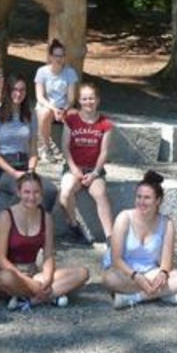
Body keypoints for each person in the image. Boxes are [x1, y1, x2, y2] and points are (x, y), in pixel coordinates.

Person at [0, 172, 89, 310]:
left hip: (33, 273)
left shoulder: (46, 218)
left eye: (36, 192)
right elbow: (1, 259)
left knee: (82, 273)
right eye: (27, 192)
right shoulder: (5, 216)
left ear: (41, 193)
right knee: (5, 279)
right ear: (18, 193)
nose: (32, 197)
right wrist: (28, 282)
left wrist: (48, 279)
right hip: (11, 273)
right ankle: (50, 295)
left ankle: (31, 300)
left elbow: (48, 255)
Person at [102, 171, 177, 308]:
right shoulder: (124, 218)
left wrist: (162, 274)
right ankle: (164, 293)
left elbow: (166, 263)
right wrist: (137, 277)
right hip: (125, 272)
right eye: (138, 197)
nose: (141, 202)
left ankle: (133, 298)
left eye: (147, 198)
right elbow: (116, 260)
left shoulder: (167, 223)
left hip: (151, 272)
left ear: (158, 201)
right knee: (109, 279)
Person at [0, 77, 57, 212]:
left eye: (22, 90)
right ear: (8, 91)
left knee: (50, 190)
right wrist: (13, 173)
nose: (18, 94)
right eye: (15, 90)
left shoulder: (30, 116)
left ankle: (40, 223)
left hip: (24, 166)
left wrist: (31, 170)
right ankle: (14, 223)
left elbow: (33, 150)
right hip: (2, 170)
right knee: (26, 191)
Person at [57, 82, 114, 246]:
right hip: (73, 168)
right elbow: (65, 147)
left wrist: (95, 173)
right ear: (79, 101)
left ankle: (110, 236)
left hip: (94, 170)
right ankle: (75, 228)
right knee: (65, 193)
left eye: (91, 98)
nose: (88, 102)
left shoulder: (105, 123)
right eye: (84, 99)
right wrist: (74, 169)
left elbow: (104, 152)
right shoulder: (71, 120)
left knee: (101, 194)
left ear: (98, 100)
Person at [33, 39, 79, 162]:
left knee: (75, 115)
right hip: (47, 105)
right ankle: (45, 147)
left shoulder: (70, 72)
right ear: (50, 57)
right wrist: (53, 109)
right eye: (56, 55)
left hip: (63, 106)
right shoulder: (42, 72)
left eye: (61, 56)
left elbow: (71, 98)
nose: (59, 58)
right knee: (44, 112)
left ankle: (73, 150)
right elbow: (40, 97)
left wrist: (64, 109)